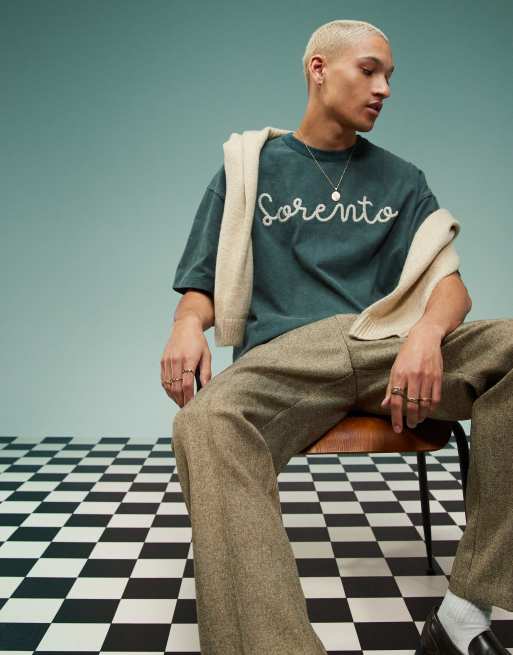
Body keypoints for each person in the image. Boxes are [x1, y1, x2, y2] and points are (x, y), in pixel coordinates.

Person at [161, 19, 512, 655]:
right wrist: (187, 324)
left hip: (384, 346)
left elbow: (451, 285)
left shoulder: (403, 179)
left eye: (390, 77)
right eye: (369, 70)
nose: (384, 89)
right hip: (286, 361)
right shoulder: (248, 168)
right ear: (319, 69)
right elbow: (202, 283)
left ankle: (465, 611)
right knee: (205, 424)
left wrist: (427, 333)